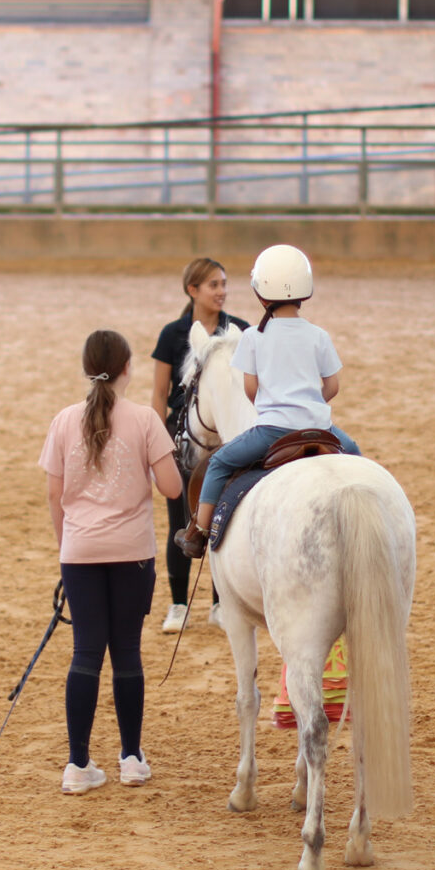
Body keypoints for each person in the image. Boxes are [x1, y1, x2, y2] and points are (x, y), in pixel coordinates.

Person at [40, 330, 183, 793]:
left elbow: (54, 495)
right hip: (131, 553)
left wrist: (67, 551)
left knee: (85, 653)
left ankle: (78, 764)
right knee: (126, 652)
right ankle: (130, 757)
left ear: (86, 368)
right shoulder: (143, 420)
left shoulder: (64, 421)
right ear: (127, 369)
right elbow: (172, 489)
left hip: (79, 552)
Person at [173, 244, 361, 561]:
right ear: (306, 292)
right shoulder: (318, 335)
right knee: (354, 454)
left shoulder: (254, 337)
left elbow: (250, 388)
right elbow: (333, 385)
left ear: (261, 294)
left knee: (218, 464)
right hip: (320, 428)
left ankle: (198, 533)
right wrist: (313, 403)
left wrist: (270, 405)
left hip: (273, 431)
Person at [151, 255, 248, 632]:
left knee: (225, 522)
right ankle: (178, 604)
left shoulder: (239, 331)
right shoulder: (172, 334)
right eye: (214, 285)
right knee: (180, 520)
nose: (222, 292)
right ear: (193, 290)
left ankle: (221, 603)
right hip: (182, 439)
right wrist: (159, 444)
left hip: (227, 440)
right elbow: (160, 394)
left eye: (224, 284)